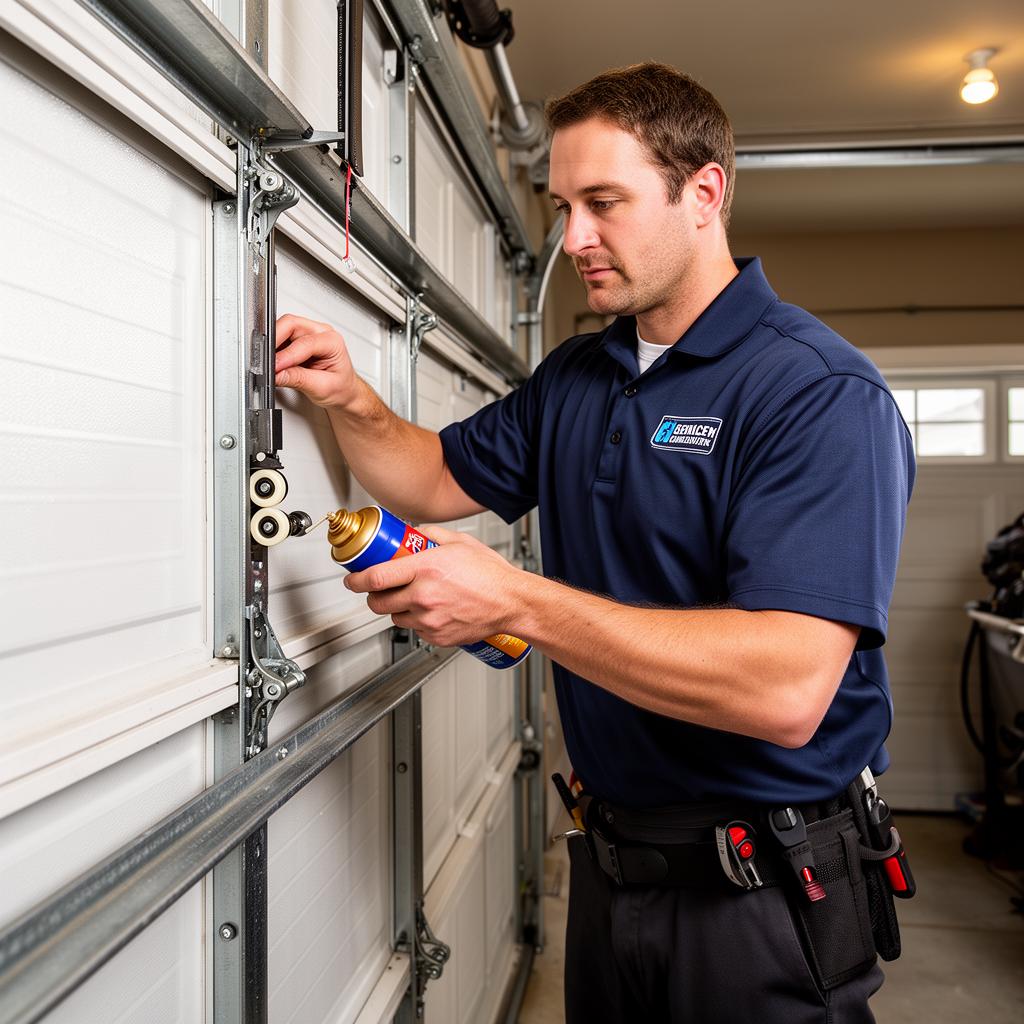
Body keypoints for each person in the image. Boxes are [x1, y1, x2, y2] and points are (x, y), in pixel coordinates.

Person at [275, 62, 914, 1024]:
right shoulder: (582, 373)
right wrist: (352, 399)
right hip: (614, 872)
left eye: (604, 203)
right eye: (564, 205)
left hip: (764, 895)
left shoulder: (816, 393)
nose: (574, 238)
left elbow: (785, 691)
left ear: (705, 192)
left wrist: (516, 601)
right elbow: (435, 478)